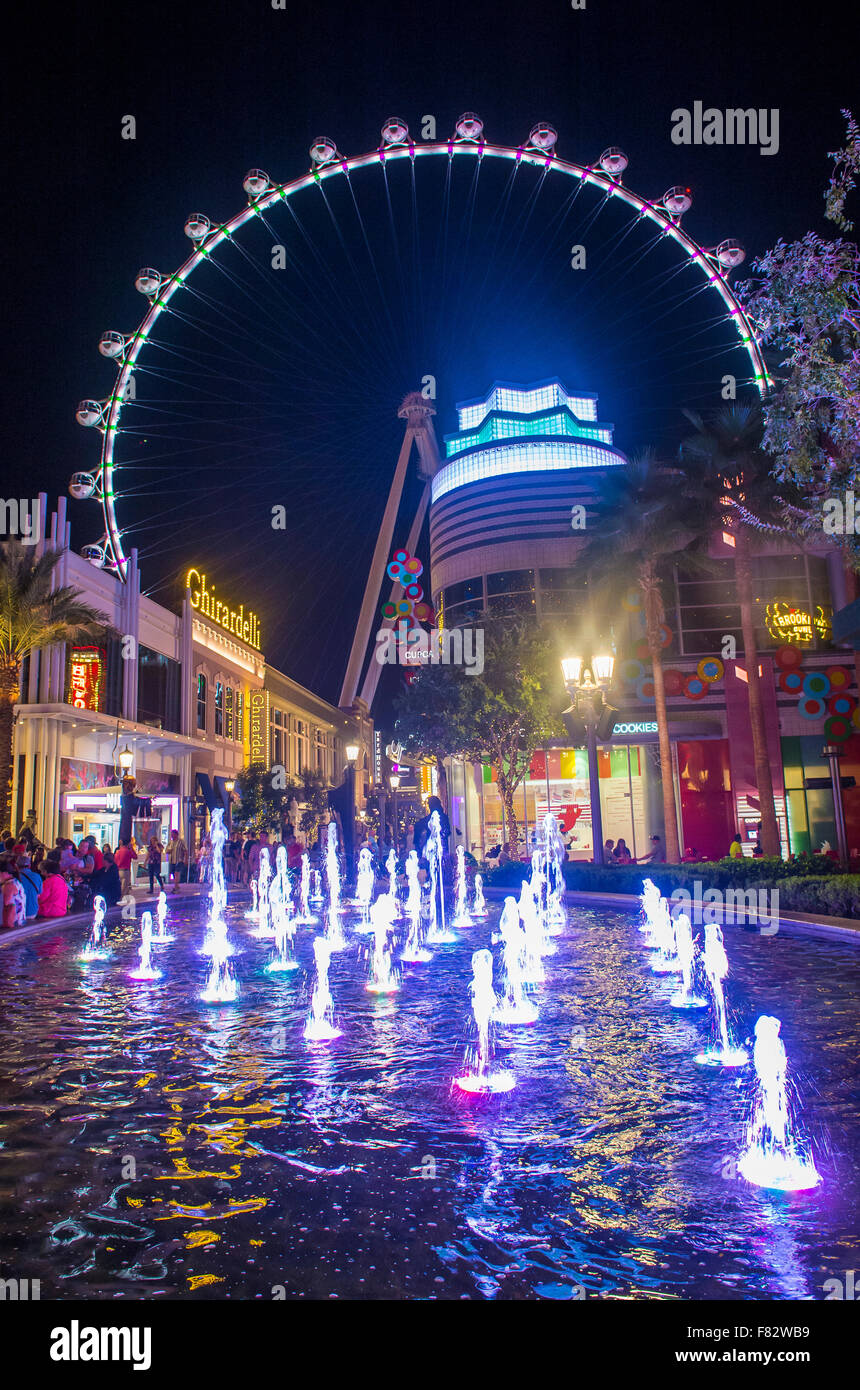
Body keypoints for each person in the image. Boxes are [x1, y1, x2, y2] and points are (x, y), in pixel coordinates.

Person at [37, 854, 69, 918]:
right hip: (62, 910)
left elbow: (41, 899)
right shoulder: (61, 879)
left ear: (45, 871)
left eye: (41, 871)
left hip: (50, 911)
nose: (41, 873)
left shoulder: (49, 881)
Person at [0, 859, 27, 930]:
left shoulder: (8, 886)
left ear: (4, 873)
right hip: (21, 920)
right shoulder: (16, 881)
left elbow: (5, 903)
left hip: (13, 922)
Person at [16, 853, 42, 920]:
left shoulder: (15, 878)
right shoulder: (37, 876)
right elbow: (39, 895)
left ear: (16, 866)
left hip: (18, 914)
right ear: (29, 865)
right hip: (32, 913)